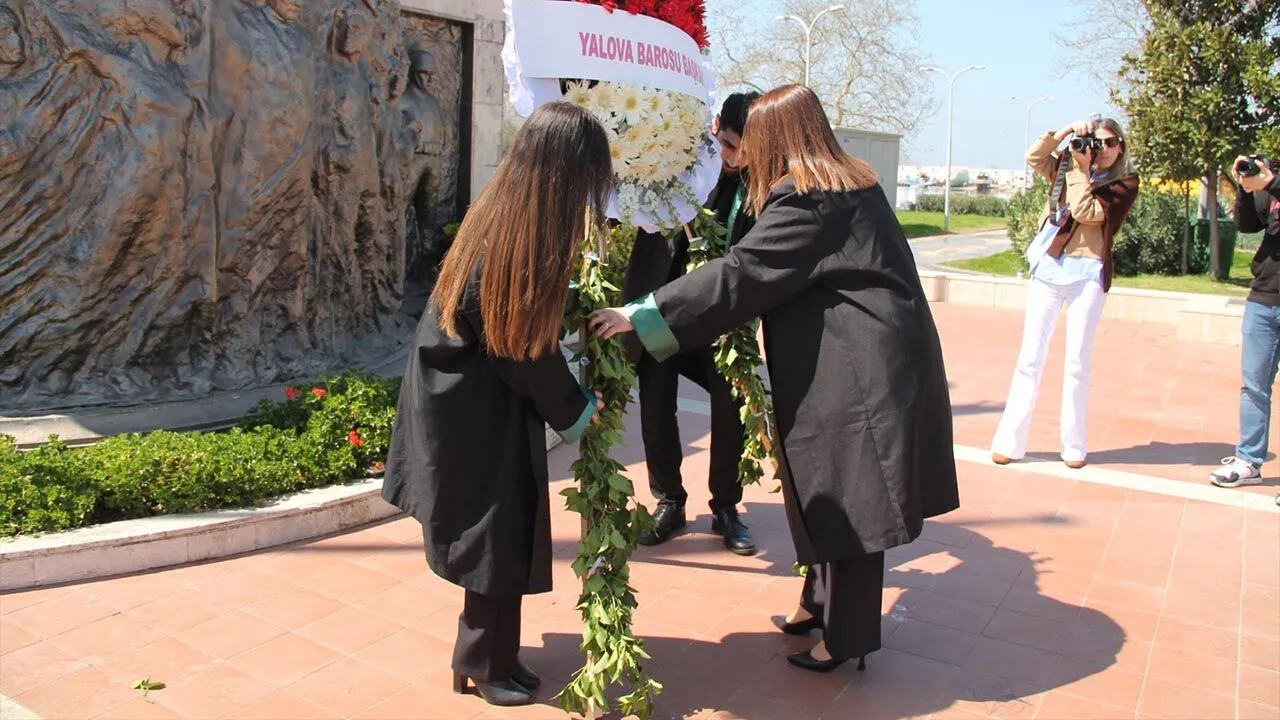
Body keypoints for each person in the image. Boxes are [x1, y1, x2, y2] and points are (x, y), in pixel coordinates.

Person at [591, 84, 959, 673]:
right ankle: (818, 602)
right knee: (819, 482)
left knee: (850, 497)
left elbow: (740, 276)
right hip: (856, 356)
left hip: (858, 369)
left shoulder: (809, 198)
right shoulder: (846, 181)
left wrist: (639, 316)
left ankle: (848, 638)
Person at [380, 102, 611, 707]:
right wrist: (579, 407)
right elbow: (523, 350)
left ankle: (492, 656)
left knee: (505, 528)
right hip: (472, 402)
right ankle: (482, 663)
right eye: (589, 173)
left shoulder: (512, 210)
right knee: (493, 534)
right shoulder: (524, 232)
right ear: (565, 169)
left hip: (478, 393)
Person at [622, 91, 761, 555]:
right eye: (724, 143)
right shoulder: (678, 162)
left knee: (729, 403)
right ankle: (670, 502)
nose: (729, 158)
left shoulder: (761, 187)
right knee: (656, 400)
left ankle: (725, 506)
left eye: (741, 150)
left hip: (719, 317)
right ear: (714, 127)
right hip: (662, 308)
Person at [990, 117, 1140, 469]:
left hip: (1087, 273)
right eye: (1093, 142)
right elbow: (1034, 157)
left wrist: (1078, 171)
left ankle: (1073, 444)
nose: (1099, 150)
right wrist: (1065, 134)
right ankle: (1010, 442)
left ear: (1120, 146)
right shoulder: (1069, 165)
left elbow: (1088, 213)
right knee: (1029, 358)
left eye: (1108, 143)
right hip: (1050, 268)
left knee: (1076, 363)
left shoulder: (1125, 183)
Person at [1210, 154, 1279, 503]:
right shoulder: (1273, 182)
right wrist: (1246, 190)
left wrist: (1269, 183)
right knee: (1254, 387)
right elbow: (1247, 225)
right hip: (1265, 298)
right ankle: (1249, 461)